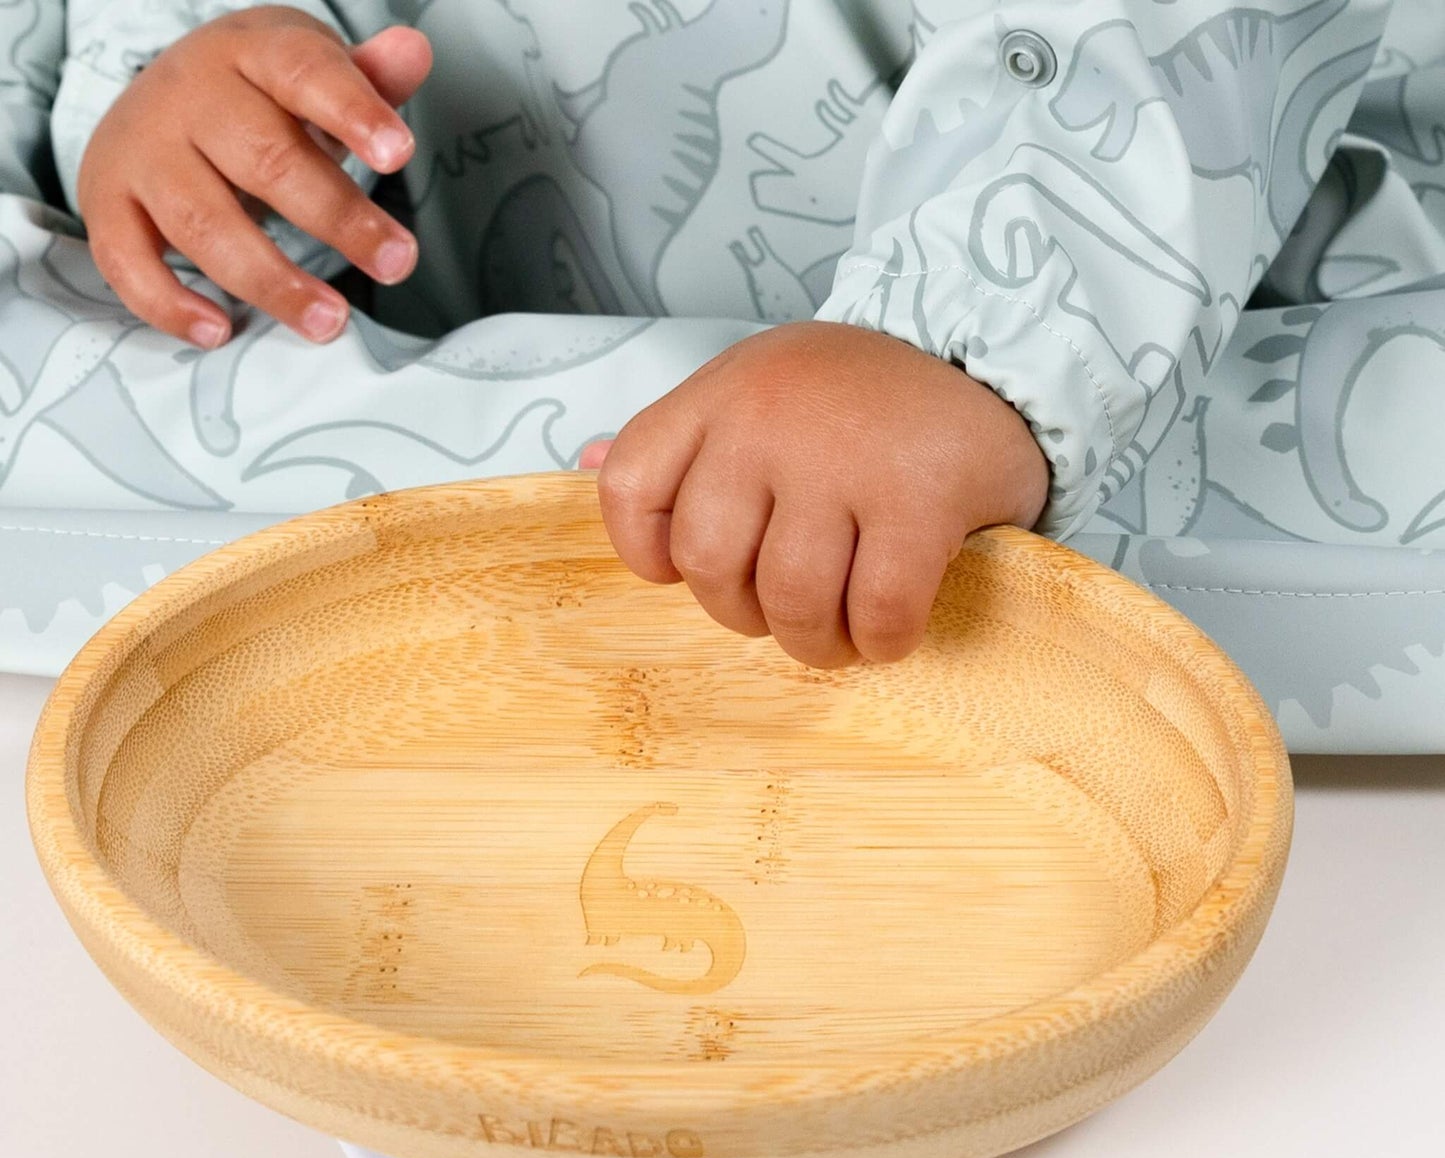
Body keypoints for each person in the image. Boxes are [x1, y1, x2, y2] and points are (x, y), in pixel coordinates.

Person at [2, 1, 1443, 748]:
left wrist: (963, 342)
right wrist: (176, 104)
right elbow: (149, 113)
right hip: (440, 265)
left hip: (1204, 278)